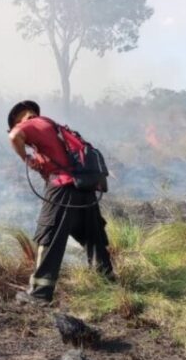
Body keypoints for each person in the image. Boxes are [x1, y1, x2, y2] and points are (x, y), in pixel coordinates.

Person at [7, 100, 114, 306]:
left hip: (62, 188)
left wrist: (26, 159)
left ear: (20, 118)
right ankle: (107, 285)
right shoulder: (53, 127)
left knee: (49, 236)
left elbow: (14, 137)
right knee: (93, 237)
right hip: (84, 188)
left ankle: (39, 294)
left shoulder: (30, 122)